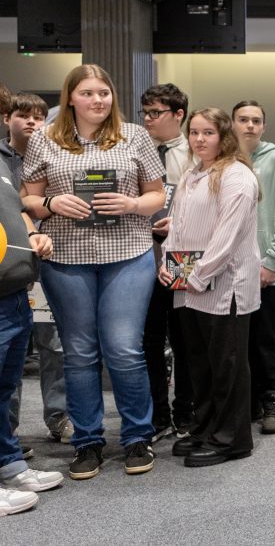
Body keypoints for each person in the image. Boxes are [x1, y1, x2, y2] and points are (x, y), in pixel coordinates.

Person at [21, 64, 167, 480]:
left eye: (103, 92)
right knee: (80, 352)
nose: (97, 100)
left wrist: (132, 204)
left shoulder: (135, 136)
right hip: (66, 258)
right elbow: (27, 199)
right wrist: (51, 204)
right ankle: (87, 441)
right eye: (87, 93)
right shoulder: (44, 139)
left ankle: (137, 436)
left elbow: (157, 194)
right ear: (70, 98)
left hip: (128, 254)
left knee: (123, 349)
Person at [159, 108, 261, 467]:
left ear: (224, 137)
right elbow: (178, 226)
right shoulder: (191, 174)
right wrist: (168, 264)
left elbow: (226, 238)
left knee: (226, 367)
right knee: (199, 366)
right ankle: (204, 430)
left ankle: (231, 439)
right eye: (194, 132)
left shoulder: (237, 176)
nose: (199, 139)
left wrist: (198, 276)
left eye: (208, 133)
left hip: (225, 286)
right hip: (189, 285)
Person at [0, 84, 63, 515]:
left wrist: (33, 233)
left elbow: (16, 212)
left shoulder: (4, 161)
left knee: (4, 388)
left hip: (12, 288)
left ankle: (8, 464)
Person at [232, 100, 275, 434]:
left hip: (270, 271)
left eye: (256, 120)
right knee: (238, 344)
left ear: (264, 126)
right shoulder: (224, 161)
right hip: (232, 271)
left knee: (268, 342)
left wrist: (272, 262)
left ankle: (273, 399)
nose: (250, 126)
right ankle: (247, 404)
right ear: (232, 124)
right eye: (243, 119)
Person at [139, 83, 194, 440]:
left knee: (184, 335)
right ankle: (157, 414)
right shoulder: (137, 149)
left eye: (155, 113)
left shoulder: (194, 152)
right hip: (142, 252)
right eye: (145, 112)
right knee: (149, 338)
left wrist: (180, 221)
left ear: (178, 115)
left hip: (182, 254)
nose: (147, 119)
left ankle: (185, 411)